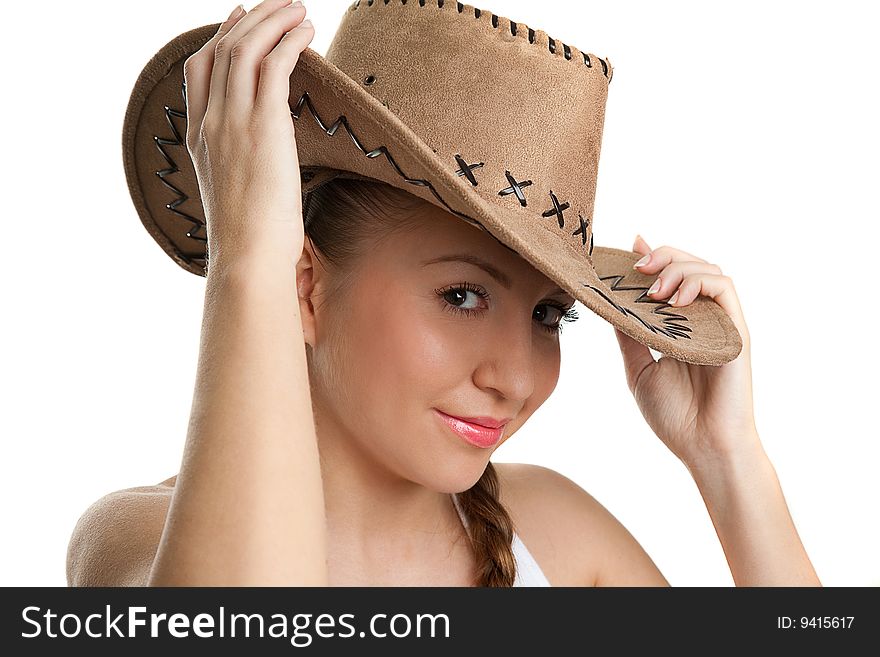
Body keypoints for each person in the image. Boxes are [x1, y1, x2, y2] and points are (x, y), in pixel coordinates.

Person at [66, 0, 821, 587]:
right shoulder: (138, 539)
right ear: (303, 284)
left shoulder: (559, 535)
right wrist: (247, 262)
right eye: (462, 295)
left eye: (548, 314)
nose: (517, 378)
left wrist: (730, 461)